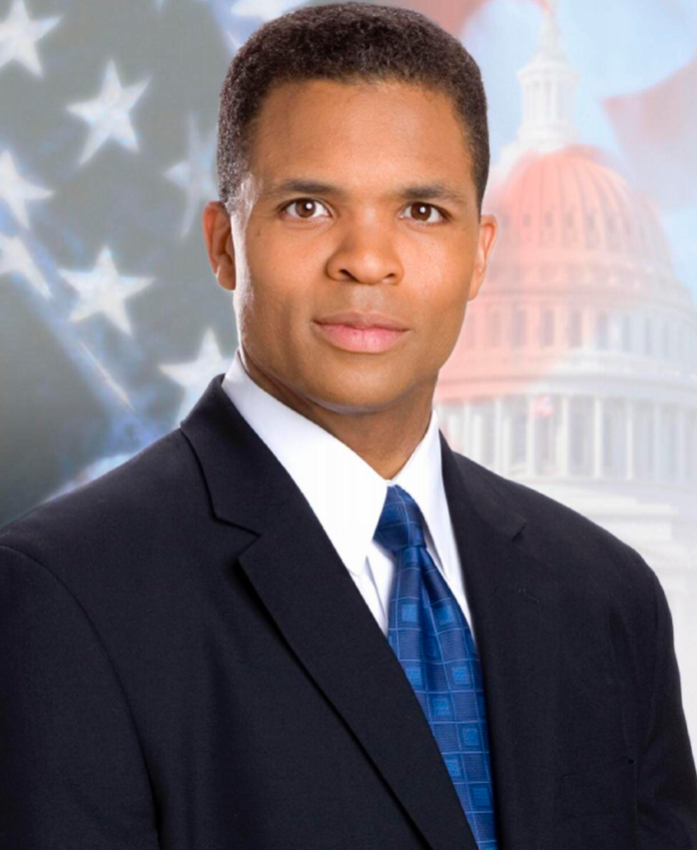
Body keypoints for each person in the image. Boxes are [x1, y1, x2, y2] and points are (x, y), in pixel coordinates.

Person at [1, 3, 695, 849]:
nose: (367, 260)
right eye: (307, 207)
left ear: (480, 254)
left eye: (421, 212)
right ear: (223, 244)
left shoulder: (607, 598)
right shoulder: (65, 595)